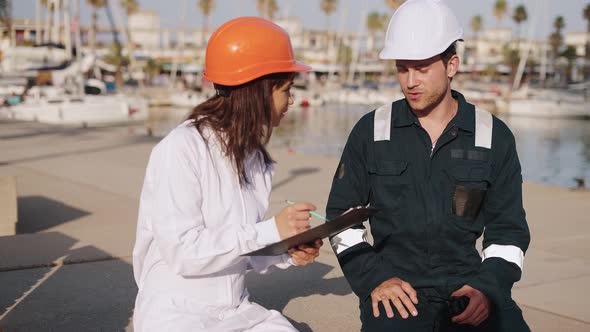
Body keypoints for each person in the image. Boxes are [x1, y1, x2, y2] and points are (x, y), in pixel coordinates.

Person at [326, 1, 531, 331]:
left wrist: (488, 288)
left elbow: (507, 233)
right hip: (395, 290)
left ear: (452, 65)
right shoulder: (371, 131)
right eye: (402, 68)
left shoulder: (494, 136)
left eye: (421, 68)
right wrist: (375, 279)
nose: (410, 81)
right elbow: (341, 221)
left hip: (470, 286)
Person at [132, 17, 323, 332]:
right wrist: (269, 229)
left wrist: (286, 250)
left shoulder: (256, 160)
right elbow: (183, 253)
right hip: (176, 314)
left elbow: (239, 253)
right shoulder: (181, 148)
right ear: (259, 90)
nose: (291, 100)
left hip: (236, 310)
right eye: (286, 89)